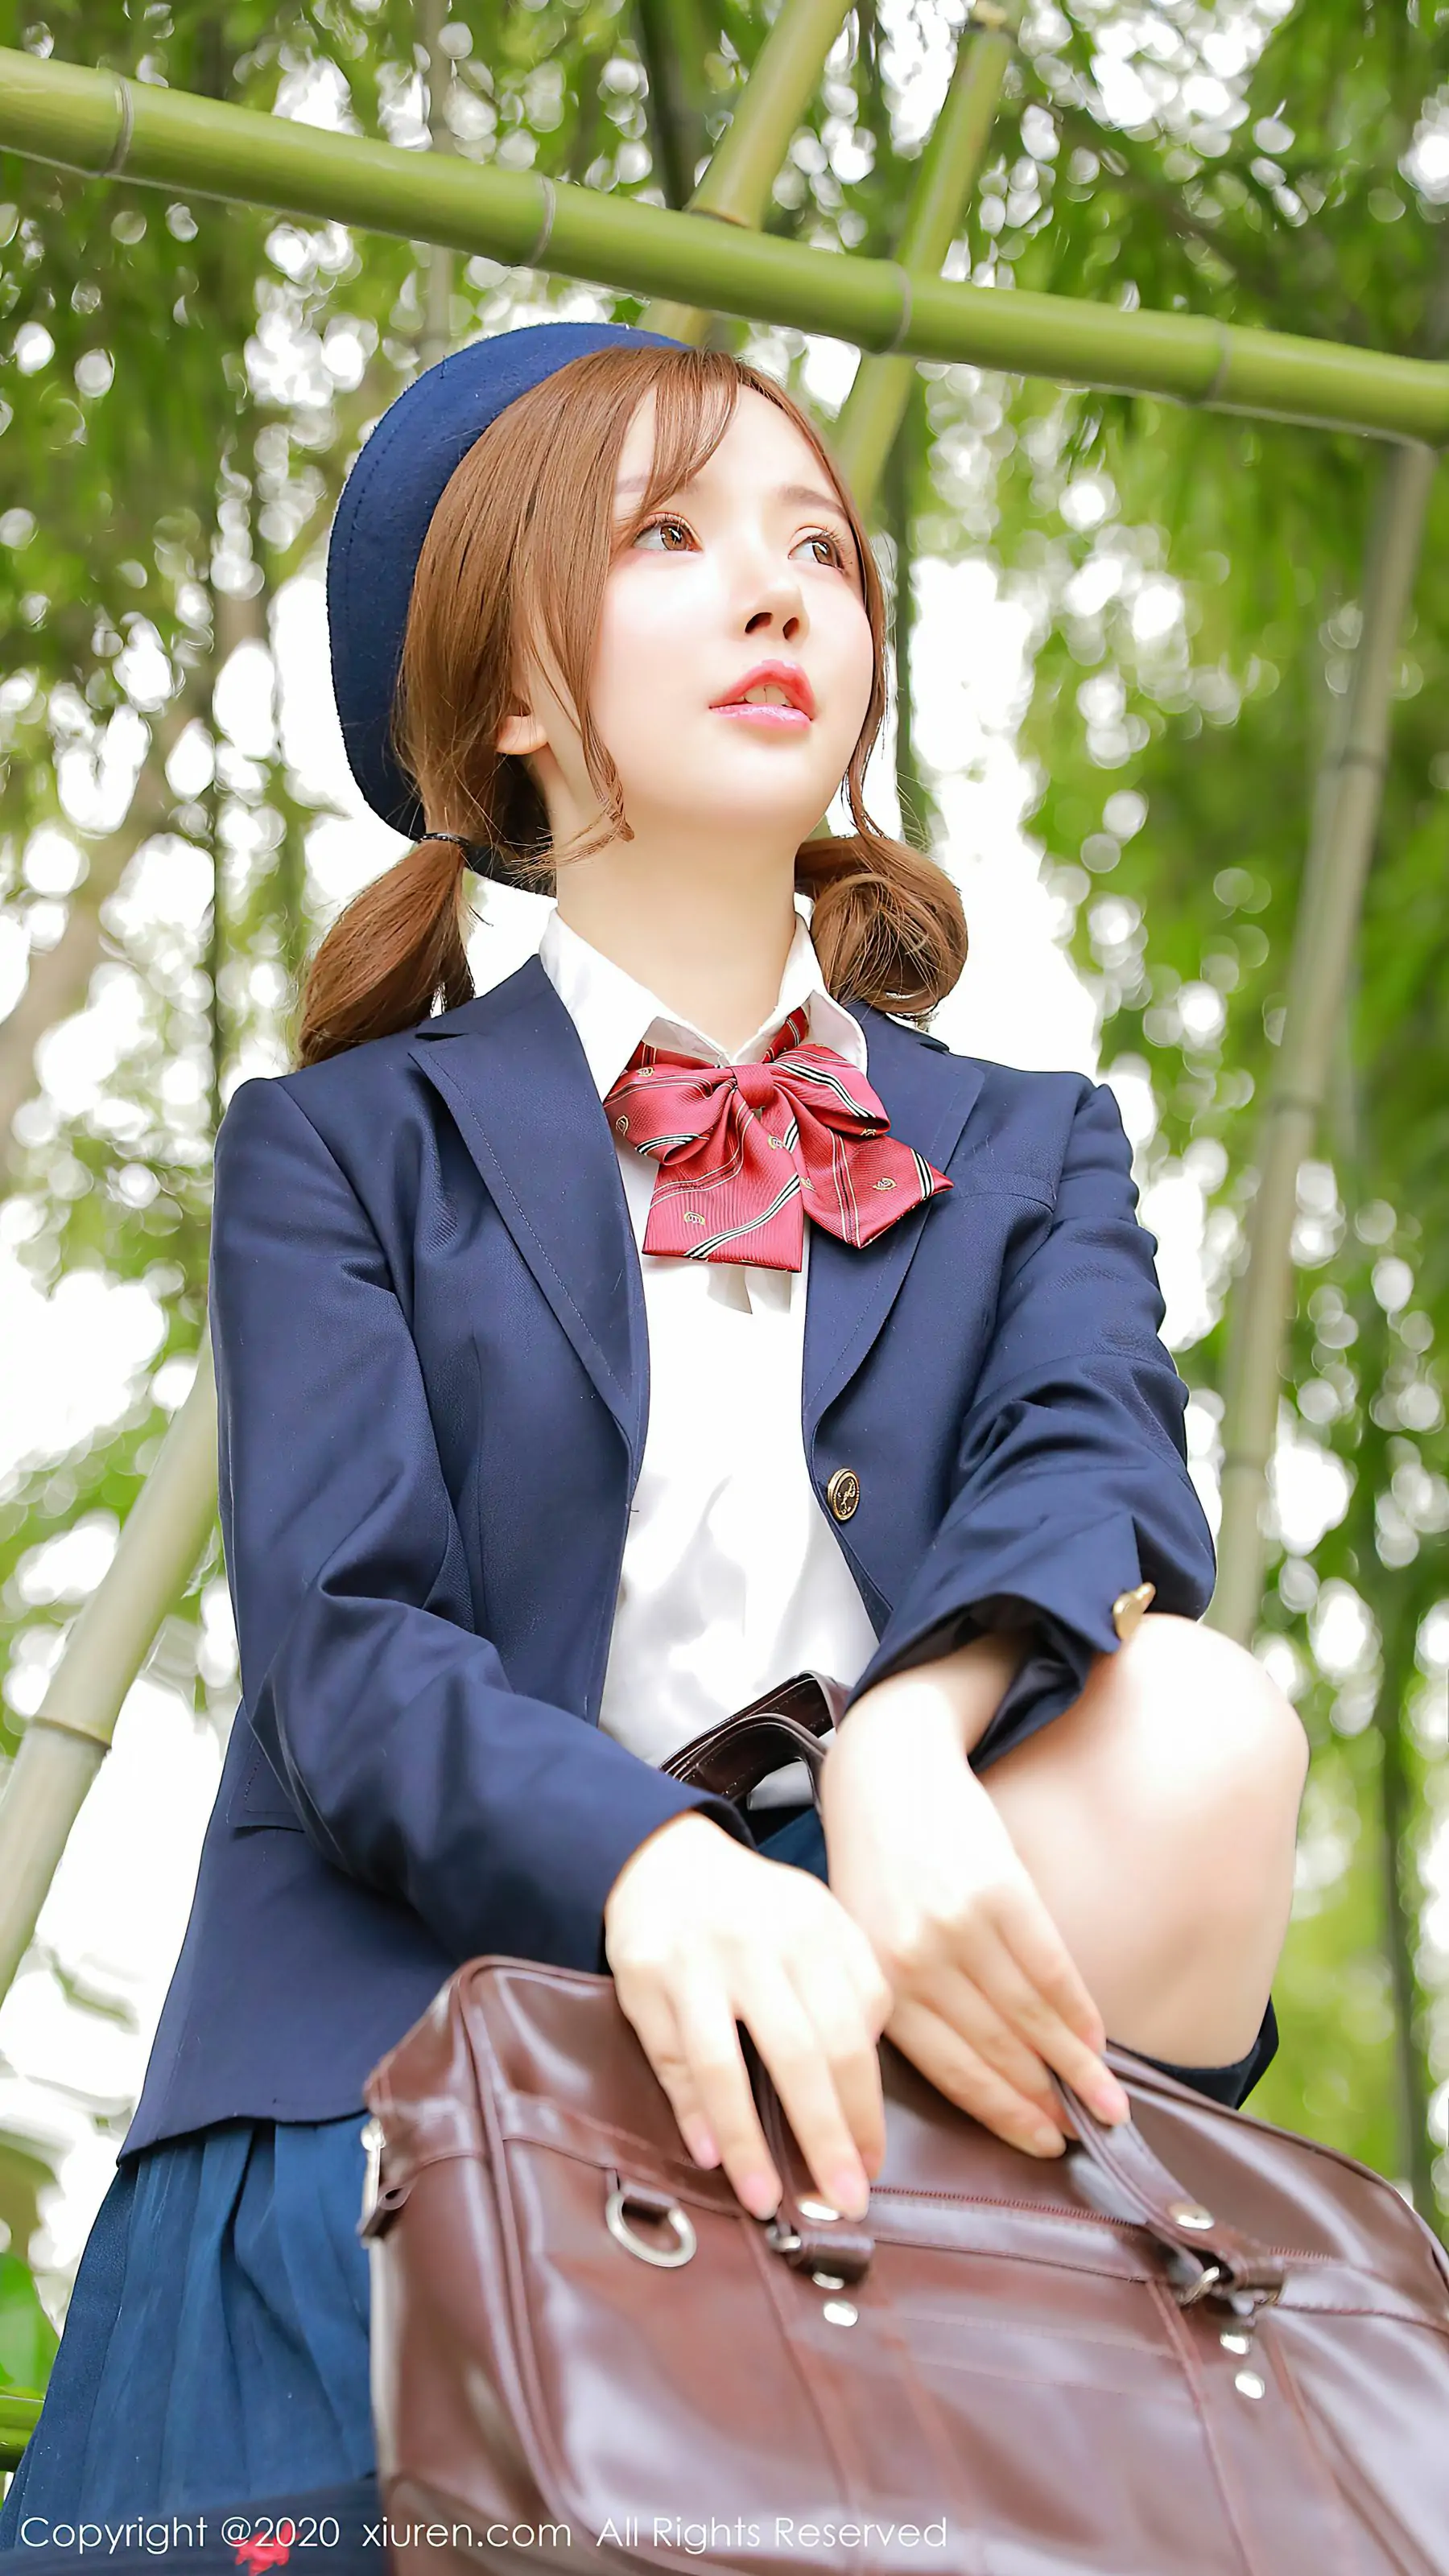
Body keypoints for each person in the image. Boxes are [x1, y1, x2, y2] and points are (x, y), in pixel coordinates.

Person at [0, 320, 1307, 2536]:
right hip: (427, 1996)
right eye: (674, 538)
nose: (779, 590)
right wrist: (649, 1867)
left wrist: (907, 1746)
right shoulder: (342, 1150)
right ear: (512, 692)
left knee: (1201, 1723)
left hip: (887, 1967)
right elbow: (350, 1650)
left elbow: (1100, 1459)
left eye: (820, 548)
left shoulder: (1032, 1143)